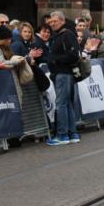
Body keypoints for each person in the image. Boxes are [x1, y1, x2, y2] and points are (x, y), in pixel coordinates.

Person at [45, 11, 80, 146]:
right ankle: (72, 133)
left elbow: (73, 55)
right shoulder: (59, 35)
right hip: (61, 74)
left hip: (64, 73)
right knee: (66, 103)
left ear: (62, 21)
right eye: (51, 22)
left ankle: (62, 135)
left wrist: (55, 60)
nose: (53, 24)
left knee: (61, 104)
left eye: (55, 21)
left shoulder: (67, 35)